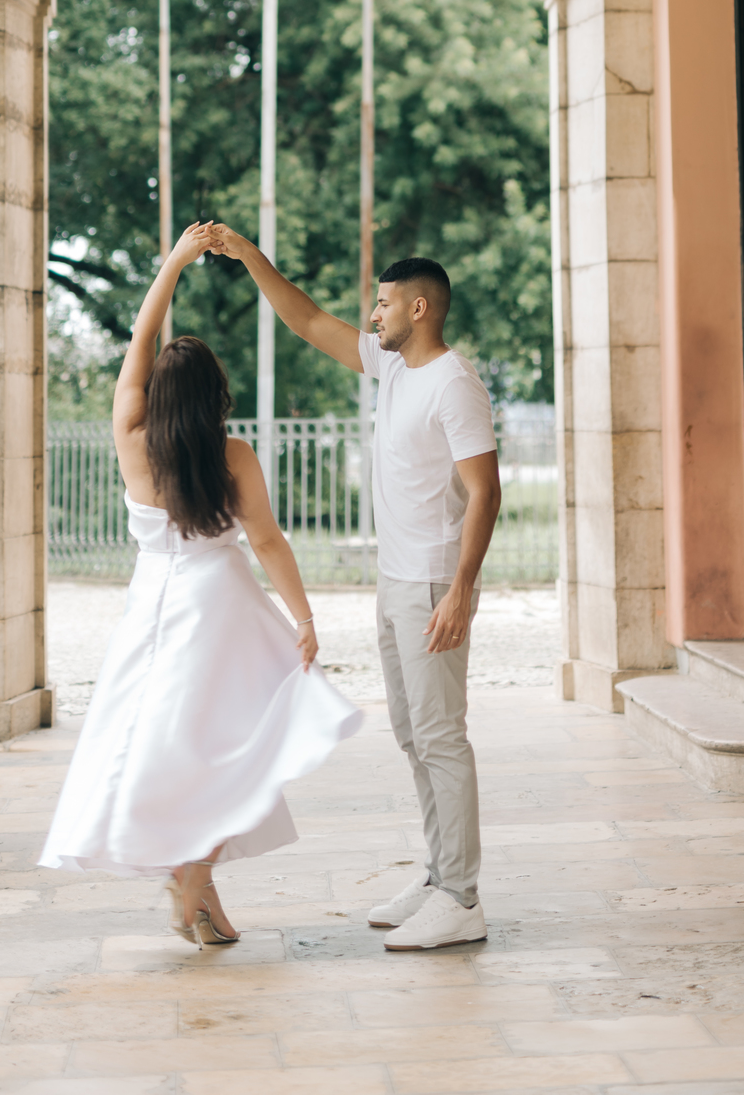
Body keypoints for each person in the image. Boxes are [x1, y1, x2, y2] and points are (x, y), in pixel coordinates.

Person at [39, 222, 361, 946]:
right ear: (216, 393)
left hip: (155, 604)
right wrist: (304, 617)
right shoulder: (233, 453)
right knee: (231, 751)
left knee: (164, 749)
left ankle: (193, 878)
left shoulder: (131, 436)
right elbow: (269, 542)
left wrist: (176, 263)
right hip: (225, 607)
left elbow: (140, 341)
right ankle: (198, 884)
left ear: (156, 391)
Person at [207, 228, 501, 951]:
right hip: (396, 578)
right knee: (413, 736)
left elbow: (486, 491)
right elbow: (306, 320)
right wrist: (250, 257)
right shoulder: (396, 368)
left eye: (383, 305)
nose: (372, 316)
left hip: (433, 579)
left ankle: (462, 899)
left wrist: (460, 590)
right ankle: (438, 878)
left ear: (421, 308)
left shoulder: (454, 384)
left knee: (440, 738)